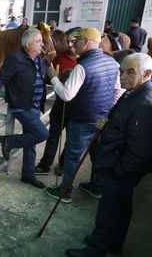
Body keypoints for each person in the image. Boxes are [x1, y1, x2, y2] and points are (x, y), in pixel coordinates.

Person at [65, 53, 152, 257]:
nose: (122, 77)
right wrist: (107, 124)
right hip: (120, 169)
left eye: (130, 72)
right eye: (121, 71)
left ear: (147, 73)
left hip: (122, 173)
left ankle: (95, 251)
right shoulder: (133, 92)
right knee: (120, 212)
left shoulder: (145, 103)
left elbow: (139, 151)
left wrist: (116, 172)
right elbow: (124, 123)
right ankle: (111, 242)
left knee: (108, 213)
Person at [44, 27, 124, 203]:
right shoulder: (113, 63)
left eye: (76, 41)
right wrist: (108, 111)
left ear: (86, 42)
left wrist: (53, 78)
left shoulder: (82, 67)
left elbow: (66, 95)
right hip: (102, 120)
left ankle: (65, 192)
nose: (72, 45)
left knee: (72, 156)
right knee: (98, 155)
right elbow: (118, 91)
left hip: (82, 120)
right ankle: (96, 187)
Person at [0, 28, 49, 189]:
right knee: (42, 133)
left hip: (35, 105)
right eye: (38, 41)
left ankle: (28, 175)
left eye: (41, 41)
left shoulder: (39, 58)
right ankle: (9, 141)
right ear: (27, 44)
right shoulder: (15, 58)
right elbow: (1, 78)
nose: (42, 44)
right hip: (21, 106)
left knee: (31, 139)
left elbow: (43, 76)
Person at [35, 27, 80, 175]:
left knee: (71, 139)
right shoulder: (60, 57)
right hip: (61, 103)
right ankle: (45, 164)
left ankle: (62, 166)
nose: (70, 45)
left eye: (73, 41)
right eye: (67, 42)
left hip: (77, 106)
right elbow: (50, 76)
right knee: (53, 136)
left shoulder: (85, 61)